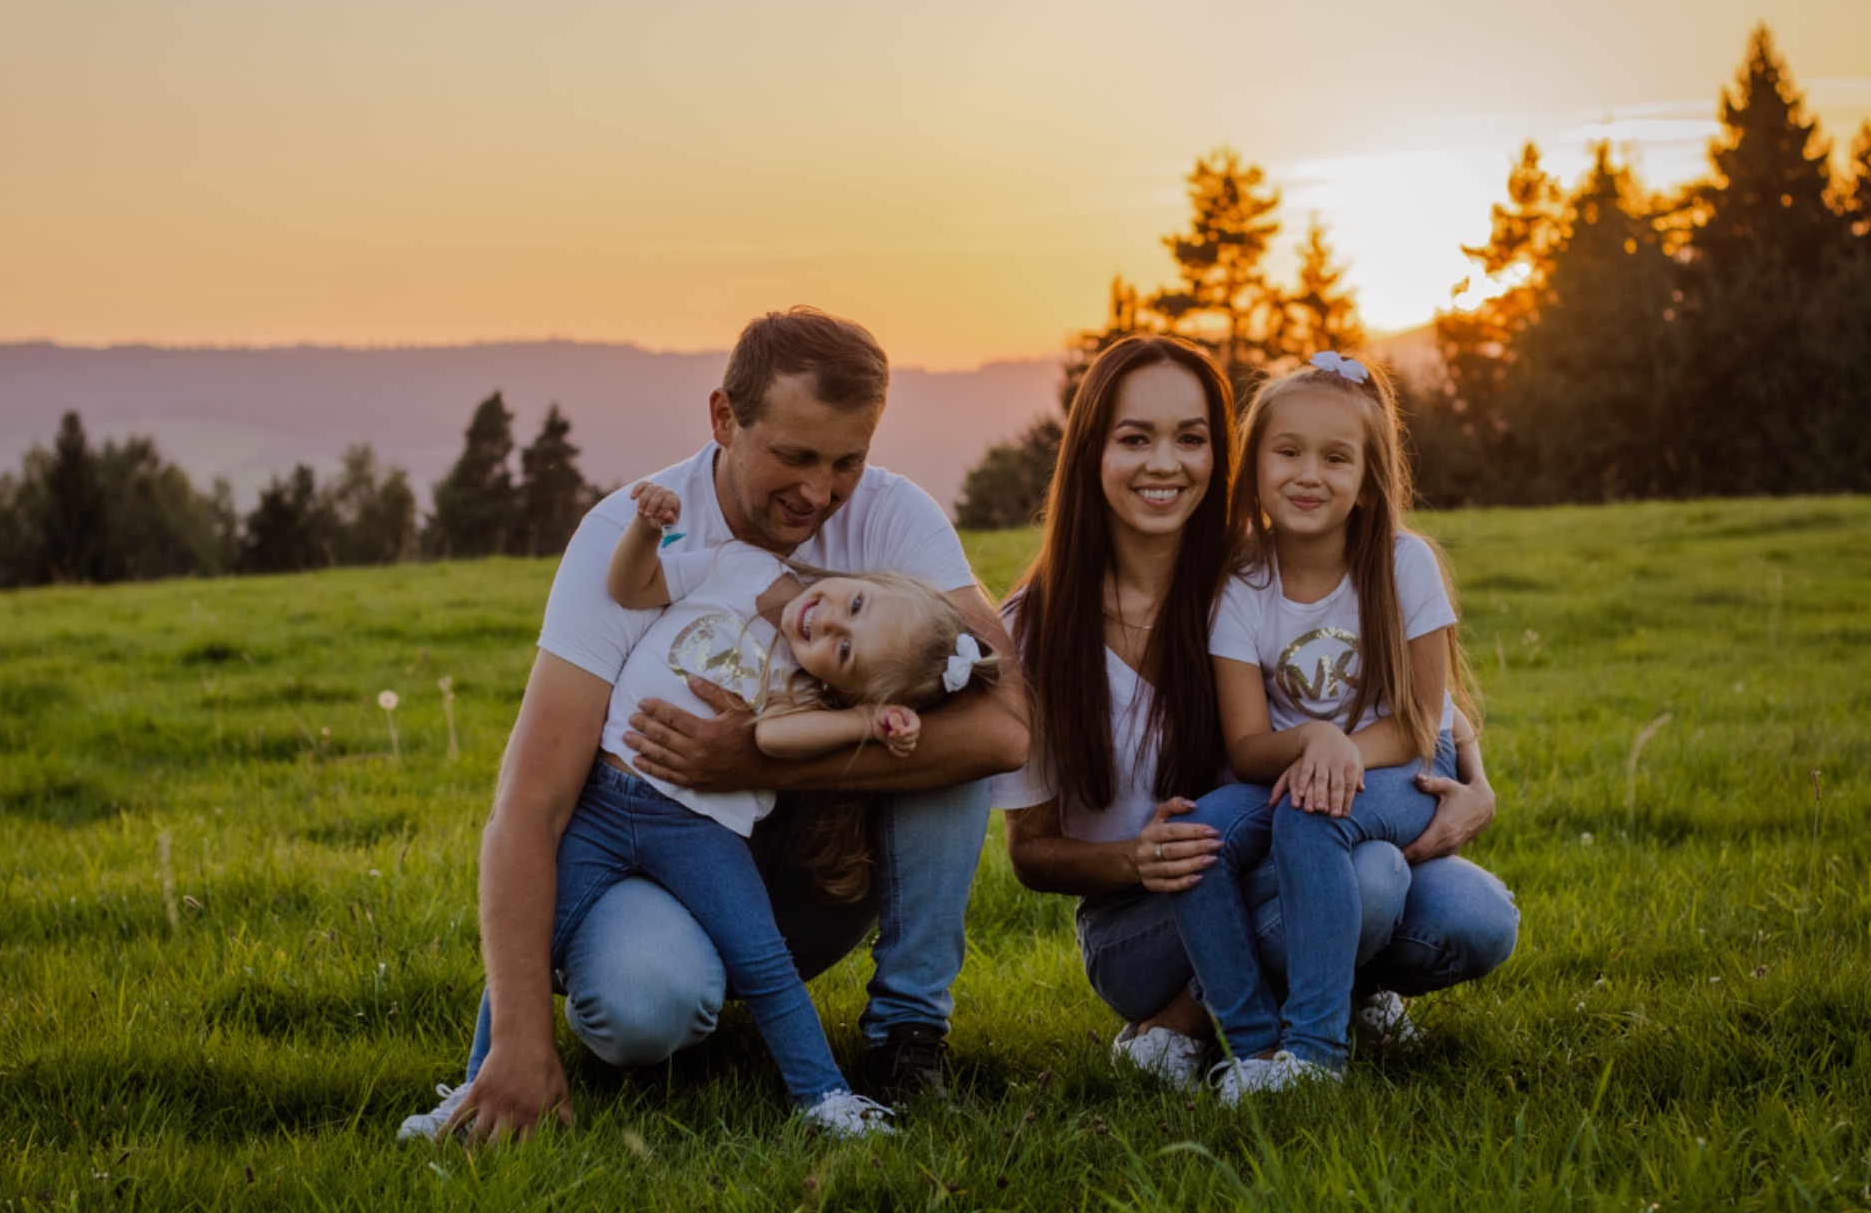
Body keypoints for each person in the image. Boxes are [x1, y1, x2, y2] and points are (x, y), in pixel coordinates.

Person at [401, 307, 1029, 1143]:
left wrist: (754, 761)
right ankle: (669, 987)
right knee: (644, 1009)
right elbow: (530, 801)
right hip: (651, 856)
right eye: (795, 456)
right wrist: (517, 1041)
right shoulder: (635, 534)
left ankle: (905, 1038)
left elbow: (1005, 728)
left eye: (848, 460)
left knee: (944, 744)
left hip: (809, 875)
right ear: (723, 418)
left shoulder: (895, 517)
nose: (818, 492)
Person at [994, 335, 1515, 1098]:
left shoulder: (1243, 572)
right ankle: (1189, 1020)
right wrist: (1132, 860)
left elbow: (1400, 699)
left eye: (1192, 439)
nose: (1165, 463)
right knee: (1365, 881)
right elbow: (1029, 853)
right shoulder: (1035, 631)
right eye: (1136, 438)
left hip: (1284, 846)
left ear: (1223, 456)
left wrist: (1475, 779)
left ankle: (1309, 1015)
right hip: (1144, 923)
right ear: (1089, 453)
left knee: (1472, 913)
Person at [540, 481, 1001, 1135]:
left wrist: (866, 722)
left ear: (842, 684)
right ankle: (479, 1080)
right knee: (533, 934)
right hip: (603, 803)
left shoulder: (802, 688)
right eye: (856, 601)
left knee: (765, 961)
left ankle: (830, 1093)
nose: (831, 621)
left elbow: (774, 738)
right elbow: (632, 585)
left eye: (844, 649)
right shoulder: (741, 563)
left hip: (694, 827)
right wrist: (644, 530)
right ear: (860, 577)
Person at [1167, 349, 1484, 1098]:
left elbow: (1415, 722)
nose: (1309, 474)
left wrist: (1339, 748)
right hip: (1288, 767)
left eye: (1336, 458)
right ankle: (1250, 1047)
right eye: (1288, 451)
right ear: (1254, 469)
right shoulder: (1242, 583)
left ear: (1368, 480)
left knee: (1314, 818)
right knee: (1196, 837)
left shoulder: (1405, 564)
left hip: (1404, 766)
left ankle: (1315, 1051)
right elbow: (1246, 747)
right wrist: (1313, 739)